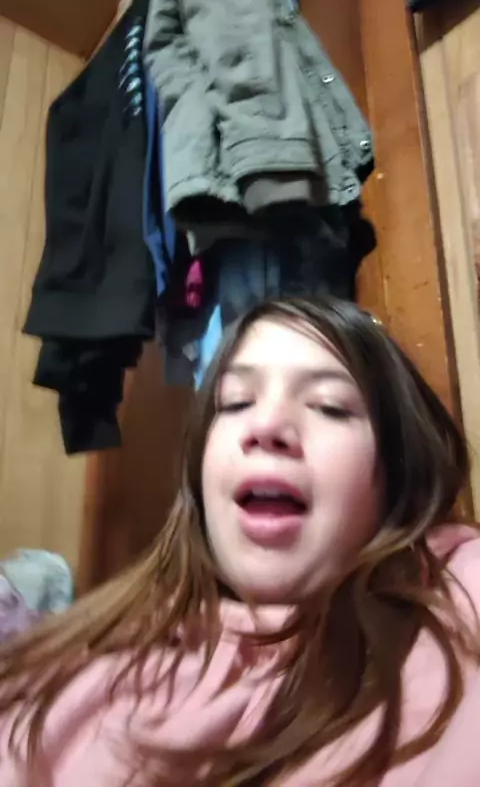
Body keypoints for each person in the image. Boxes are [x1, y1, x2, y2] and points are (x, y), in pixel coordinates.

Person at [1, 297, 480, 787]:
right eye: (234, 402)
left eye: (330, 406)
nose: (265, 427)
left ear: (397, 472)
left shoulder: (458, 599)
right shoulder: (86, 659)